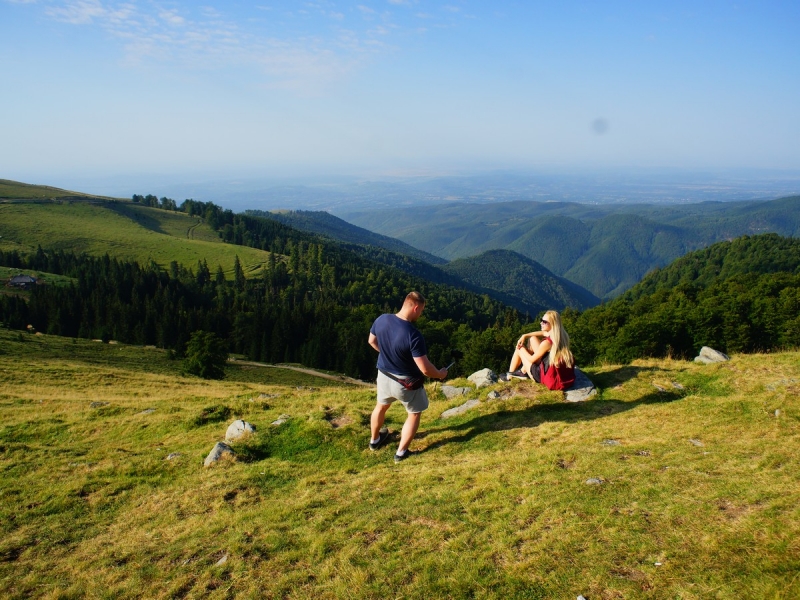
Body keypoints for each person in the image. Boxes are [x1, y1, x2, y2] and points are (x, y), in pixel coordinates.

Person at [368, 291, 448, 462]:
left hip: (383, 375)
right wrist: (440, 374)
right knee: (414, 414)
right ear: (416, 307)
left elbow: (371, 341)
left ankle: (374, 441)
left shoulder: (381, 319)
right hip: (405, 383)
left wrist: (389, 355)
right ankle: (401, 452)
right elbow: (425, 369)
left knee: (380, 407)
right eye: (421, 311)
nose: (421, 314)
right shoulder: (413, 334)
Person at [506, 309, 576, 390]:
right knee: (533, 339)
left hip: (540, 375)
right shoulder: (561, 335)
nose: (541, 323)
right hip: (548, 365)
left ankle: (509, 376)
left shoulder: (547, 343)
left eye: (544, 322)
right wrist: (524, 335)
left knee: (519, 349)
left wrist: (522, 349)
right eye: (541, 320)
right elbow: (543, 333)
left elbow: (532, 359)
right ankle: (523, 371)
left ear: (552, 324)